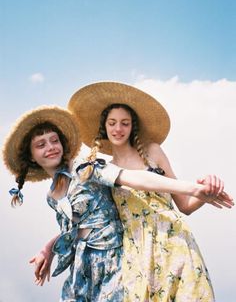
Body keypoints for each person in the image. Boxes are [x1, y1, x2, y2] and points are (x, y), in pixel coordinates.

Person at [3, 105, 232, 302]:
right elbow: (80, 227)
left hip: (131, 254)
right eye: (41, 144)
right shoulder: (53, 195)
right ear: (31, 155)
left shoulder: (87, 168)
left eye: (54, 140)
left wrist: (196, 189)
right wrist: (50, 249)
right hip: (99, 263)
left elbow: (135, 178)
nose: (50, 146)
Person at [67, 81, 234, 302]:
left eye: (124, 123)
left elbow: (185, 206)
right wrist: (50, 248)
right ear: (104, 127)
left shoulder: (153, 152)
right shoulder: (104, 171)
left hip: (175, 243)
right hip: (135, 256)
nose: (118, 129)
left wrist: (206, 191)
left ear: (132, 127)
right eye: (112, 123)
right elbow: (88, 221)